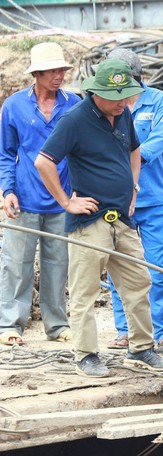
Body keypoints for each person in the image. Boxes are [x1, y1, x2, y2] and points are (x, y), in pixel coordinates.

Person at [34, 59, 163, 378]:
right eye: (119, 97)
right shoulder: (74, 121)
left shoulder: (122, 114)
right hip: (89, 220)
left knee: (138, 282)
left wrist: (134, 189)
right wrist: (67, 201)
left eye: (127, 96)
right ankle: (85, 354)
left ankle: (141, 348)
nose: (125, 103)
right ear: (98, 93)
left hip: (122, 220)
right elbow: (44, 162)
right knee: (85, 290)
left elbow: (135, 151)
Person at [98, 48, 163, 351]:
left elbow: (156, 144)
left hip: (153, 199)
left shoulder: (158, 101)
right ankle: (125, 328)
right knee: (120, 265)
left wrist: (125, 159)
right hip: (117, 201)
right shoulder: (105, 103)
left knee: (159, 266)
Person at [0, 42, 80, 346]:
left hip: (62, 200)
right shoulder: (14, 106)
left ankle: (57, 324)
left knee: (58, 266)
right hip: (24, 198)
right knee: (16, 264)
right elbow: (6, 153)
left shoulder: (74, 105)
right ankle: (10, 325)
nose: (59, 75)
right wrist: (7, 189)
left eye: (62, 70)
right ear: (37, 73)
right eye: (53, 71)